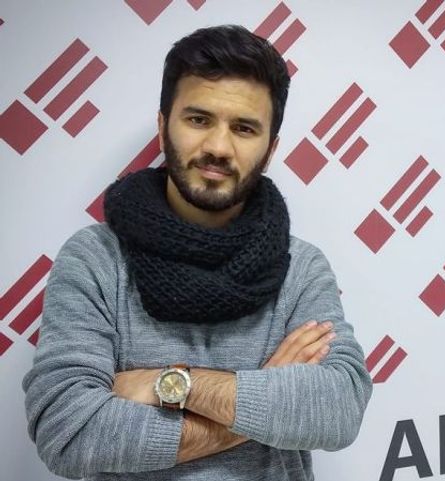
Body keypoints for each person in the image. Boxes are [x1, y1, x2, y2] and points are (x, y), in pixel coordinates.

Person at [22, 24, 372, 480]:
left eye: (244, 128)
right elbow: (67, 433)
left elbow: (339, 409)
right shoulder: (96, 260)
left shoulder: (300, 268)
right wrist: (264, 398)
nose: (218, 148)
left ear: (270, 149)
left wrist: (169, 384)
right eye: (199, 119)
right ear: (162, 126)